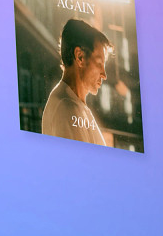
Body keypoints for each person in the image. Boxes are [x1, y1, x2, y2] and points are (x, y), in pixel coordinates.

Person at [40, 18, 113, 147]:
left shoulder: (74, 104)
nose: (104, 75)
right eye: (99, 63)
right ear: (80, 57)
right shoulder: (67, 108)